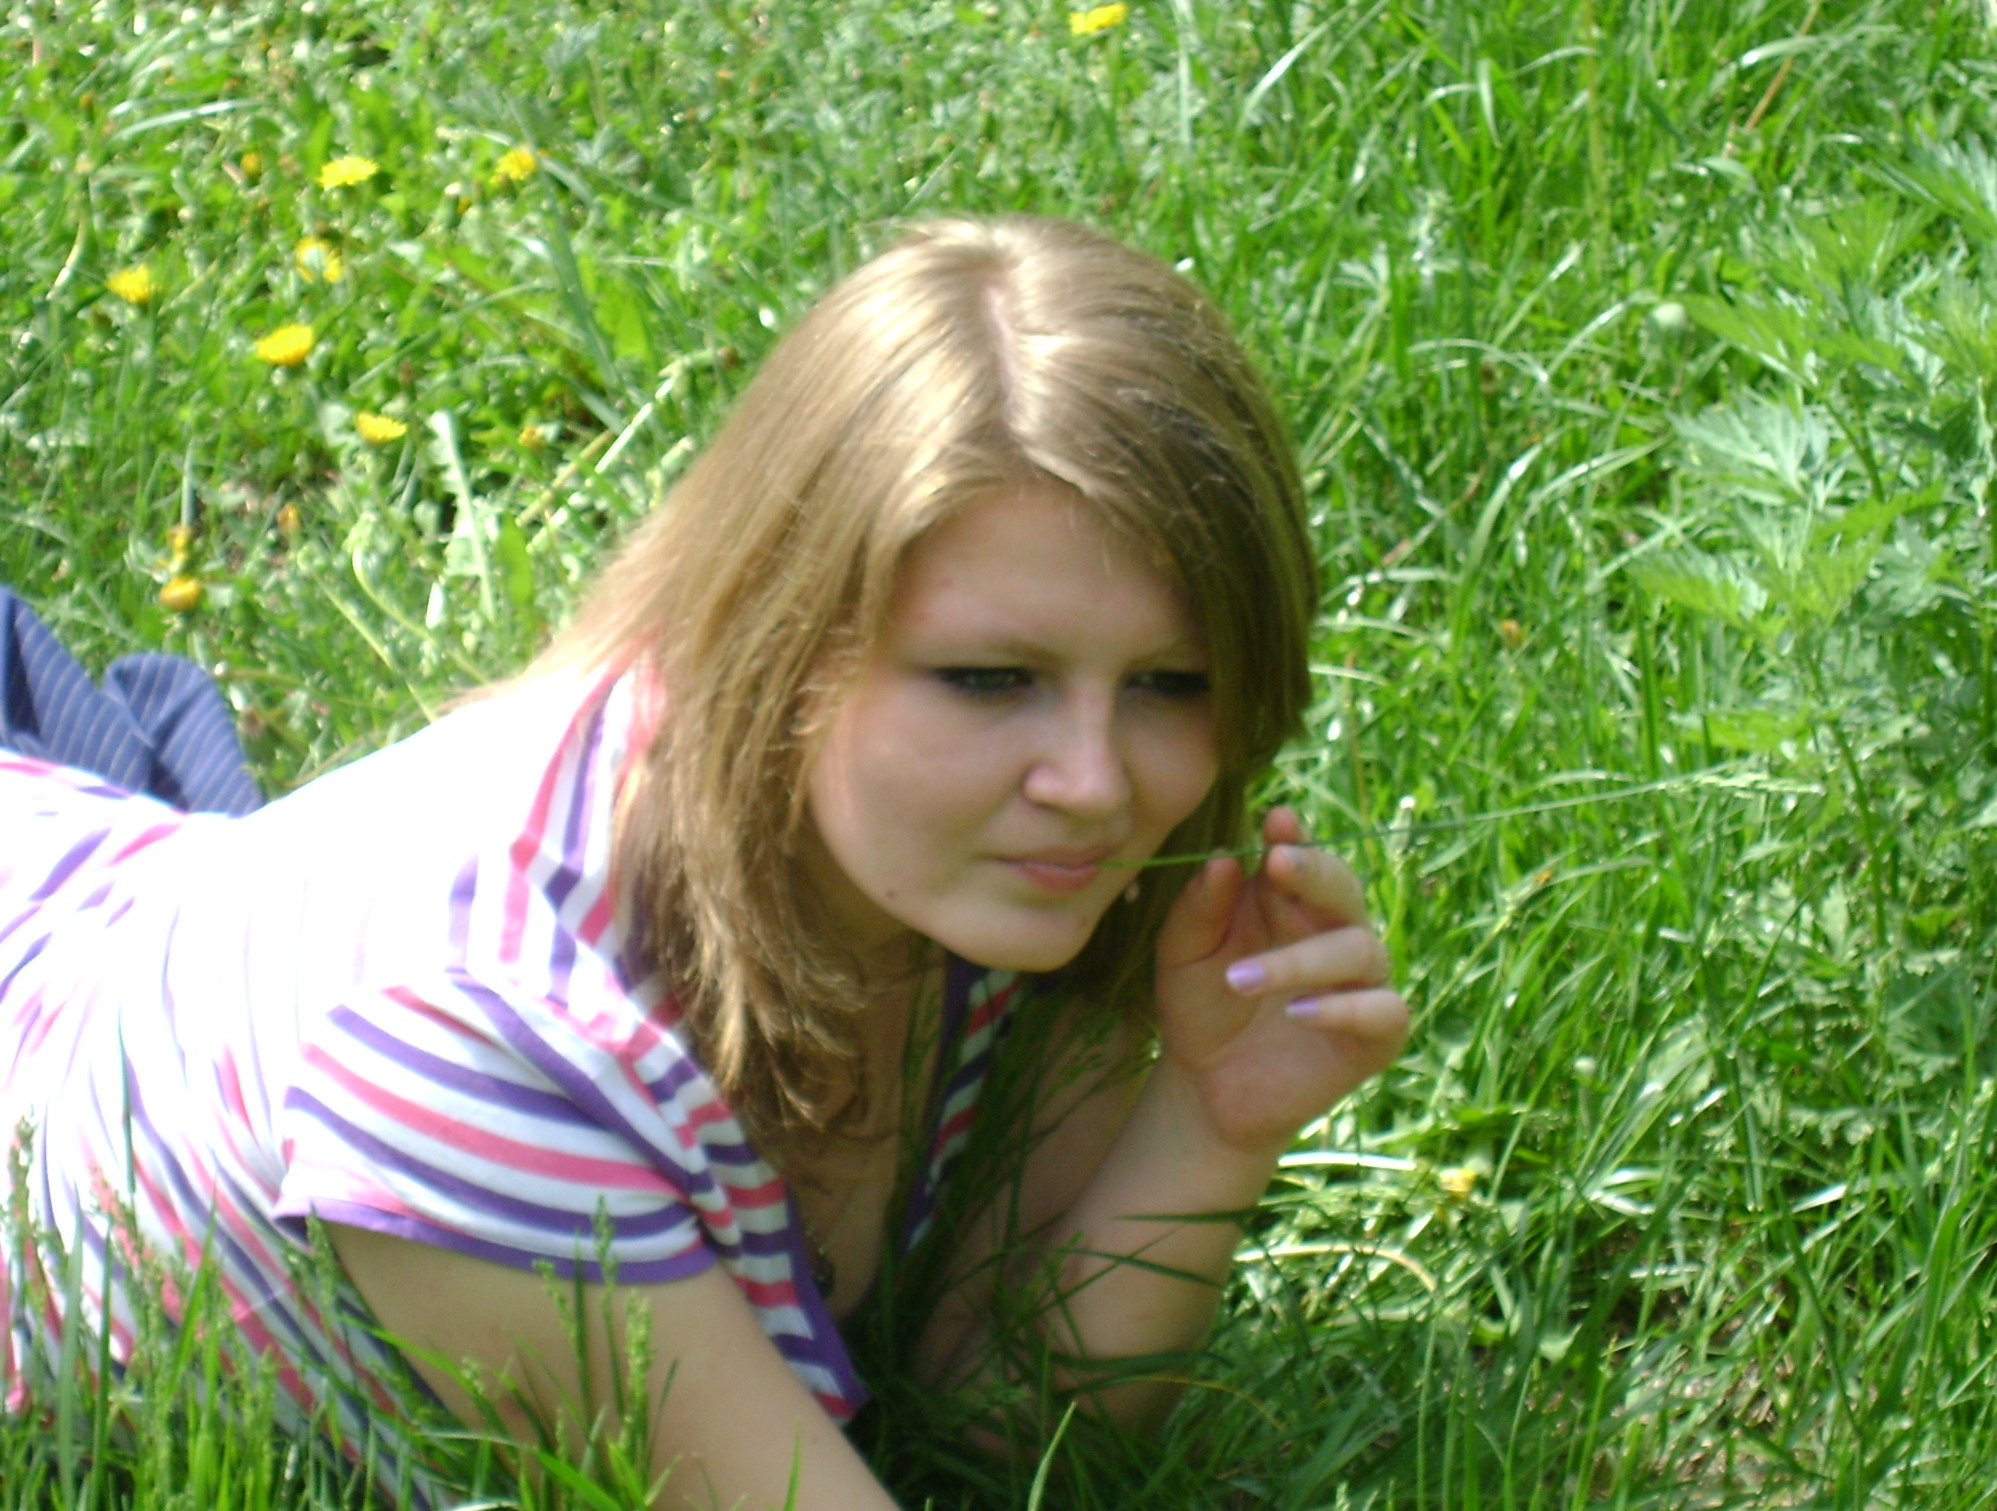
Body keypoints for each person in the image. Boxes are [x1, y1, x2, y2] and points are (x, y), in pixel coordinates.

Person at [0, 215, 1409, 1509]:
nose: (1096, 785)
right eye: (989, 679)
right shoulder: (488, 1054)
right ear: (780, 633)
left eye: (1170, 683)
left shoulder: (987, 877)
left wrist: (1210, 1123)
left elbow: (997, 1433)